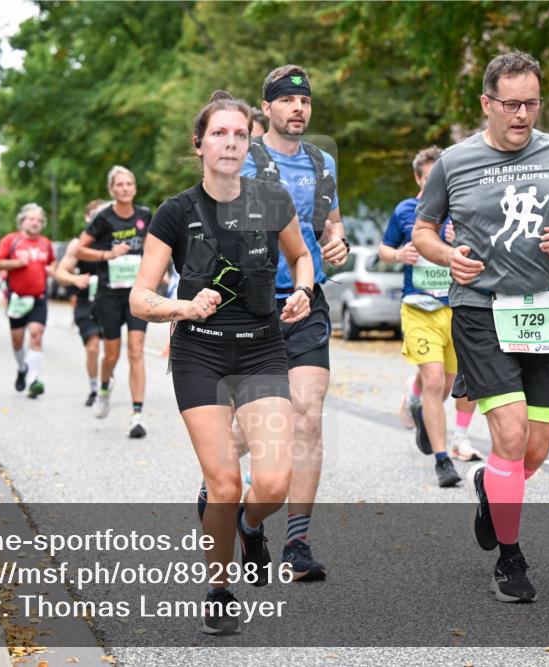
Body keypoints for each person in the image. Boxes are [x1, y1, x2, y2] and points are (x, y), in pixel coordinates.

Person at [412, 52, 549, 603]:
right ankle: (510, 560)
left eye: (532, 104)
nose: (523, 115)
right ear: (487, 104)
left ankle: (488, 488)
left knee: (533, 450)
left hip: (541, 309)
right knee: (512, 435)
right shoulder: (454, 161)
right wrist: (448, 256)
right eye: (512, 104)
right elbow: (424, 230)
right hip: (478, 310)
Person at [130, 90, 314, 635]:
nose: (230, 142)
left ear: (250, 141)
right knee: (226, 481)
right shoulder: (175, 212)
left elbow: (301, 255)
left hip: (261, 348)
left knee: (275, 484)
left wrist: (303, 288)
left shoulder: (271, 200)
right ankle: (219, 588)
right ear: (199, 144)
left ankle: (250, 527)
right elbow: (141, 297)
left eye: (239, 134)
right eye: (218, 134)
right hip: (199, 352)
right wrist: (181, 306)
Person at [240, 64, 349, 580]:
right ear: (267, 108)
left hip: (307, 303)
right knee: (246, 436)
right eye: (286, 101)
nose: (298, 109)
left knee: (307, 415)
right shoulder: (242, 159)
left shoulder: (323, 163)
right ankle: (246, 513)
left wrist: (339, 243)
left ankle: (298, 545)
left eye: (304, 102)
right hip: (251, 307)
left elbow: (331, 223)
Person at [380, 146, 481, 488]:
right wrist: (398, 254)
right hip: (419, 307)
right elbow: (384, 249)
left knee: (448, 384)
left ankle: (415, 395)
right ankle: (443, 461)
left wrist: (461, 239)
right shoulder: (406, 211)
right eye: (429, 177)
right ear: (419, 178)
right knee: (436, 380)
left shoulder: (461, 211)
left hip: (454, 308)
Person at [77, 168, 151, 437]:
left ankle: (137, 414)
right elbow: (80, 249)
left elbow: (156, 246)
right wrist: (108, 254)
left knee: (136, 349)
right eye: (119, 184)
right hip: (109, 294)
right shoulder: (103, 218)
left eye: (129, 183)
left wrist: (159, 268)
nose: (125, 188)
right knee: (112, 354)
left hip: (136, 293)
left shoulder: (144, 216)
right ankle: (104, 386)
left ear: (135, 188)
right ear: (112, 190)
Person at [0, 204, 57, 398]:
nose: (35, 223)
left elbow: (52, 262)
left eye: (39, 220)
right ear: (22, 221)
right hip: (18, 299)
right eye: (31, 219)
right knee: (17, 341)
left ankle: (34, 380)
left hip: (39, 298)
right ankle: (22, 368)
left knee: (36, 335)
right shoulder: (11, 240)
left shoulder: (46, 243)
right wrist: (17, 263)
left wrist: (52, 269)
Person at [54, 199, 105, 408]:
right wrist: (75, 279)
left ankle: (105, 383)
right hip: (87, 302)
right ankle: (95, 388)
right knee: (93, 348)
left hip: (112, 302)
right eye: (95, 214)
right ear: (87, 218)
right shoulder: (79, 244)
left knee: (112, 351)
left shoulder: (117, 242)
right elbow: (60, 272)